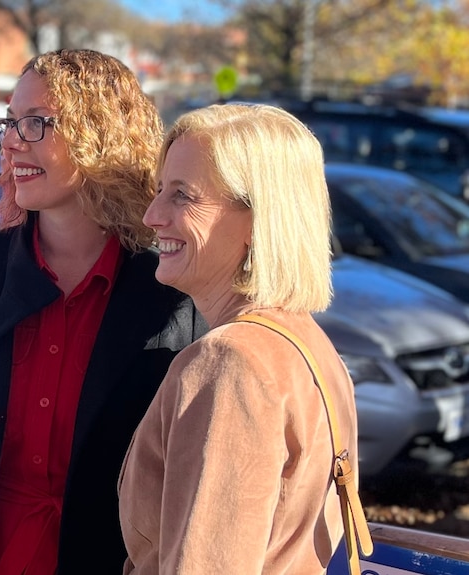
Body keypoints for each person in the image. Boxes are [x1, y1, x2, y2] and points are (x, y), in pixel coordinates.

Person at [0, 49, 206, 575]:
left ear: (102, 135)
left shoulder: (170, 293)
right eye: (10, 122)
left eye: (38, 122)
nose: (13, 139)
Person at [118, 103, 361, 574]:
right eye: (159, 190)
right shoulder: (303, 341)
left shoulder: (230, 362)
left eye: (183, 196)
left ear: (257, 219)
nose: (152, 215)